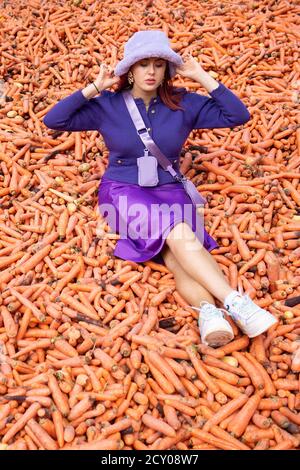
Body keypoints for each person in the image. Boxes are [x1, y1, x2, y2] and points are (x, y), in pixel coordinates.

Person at [43, 30, 277, 348]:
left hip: (170, 189)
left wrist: (200, 75)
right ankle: (237, 303)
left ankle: (209, 313)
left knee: (174, 253)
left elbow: (237, 115)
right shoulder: (107, 105)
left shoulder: (183, 103)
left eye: (158, 64)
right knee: (179, 231)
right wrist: (95, 87)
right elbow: (54, 120)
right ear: (129, 70)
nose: (151, 72)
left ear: (168, 69)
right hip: (123, 191)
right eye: (143, 65)